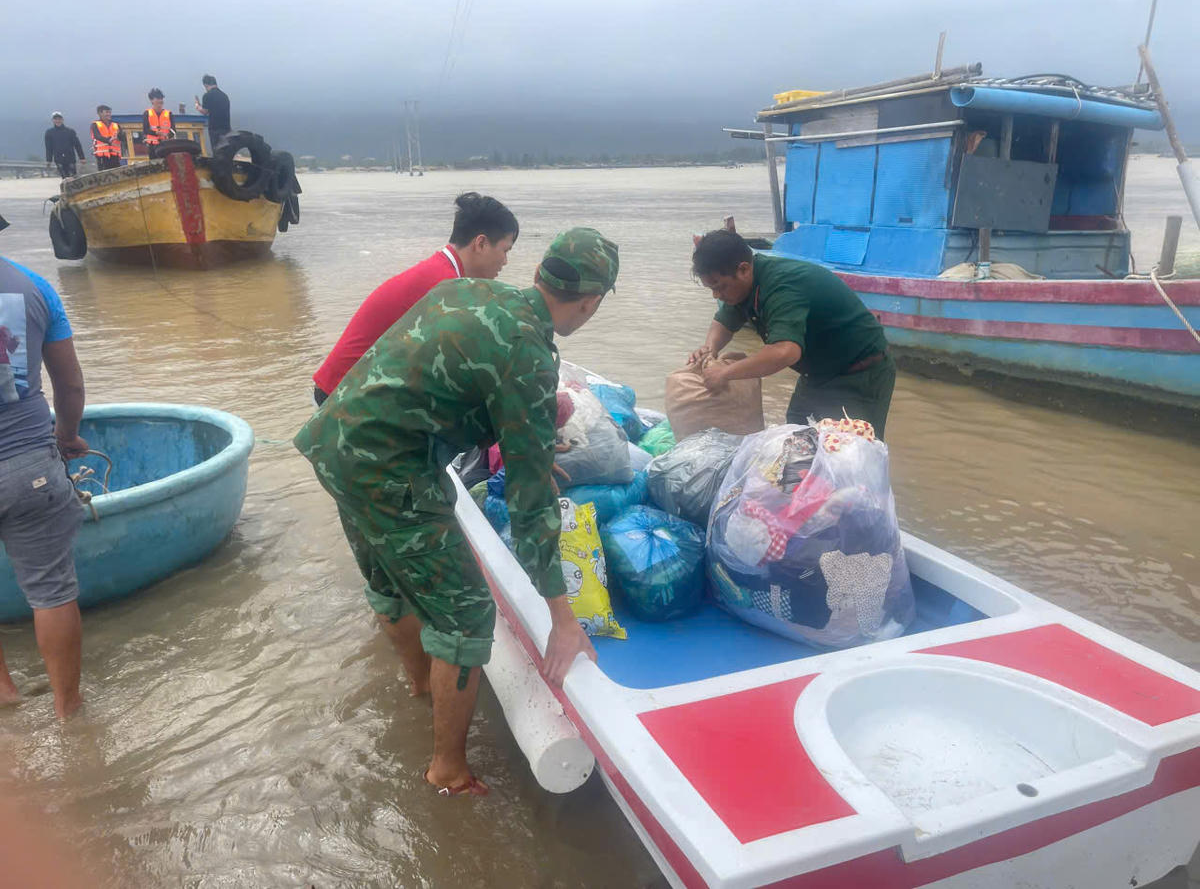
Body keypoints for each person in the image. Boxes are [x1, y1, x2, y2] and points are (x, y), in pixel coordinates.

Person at [294, 227, 619, 796]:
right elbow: (529, 506)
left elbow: (443, 379)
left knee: (390, 582)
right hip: (388, 471)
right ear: (591, 303)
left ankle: (422, 687)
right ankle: (447, 771)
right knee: (466, 616)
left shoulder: (465, 289)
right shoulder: (528, 353)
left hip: (335, 445)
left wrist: (530, 451)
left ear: (538, 273)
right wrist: (563, 620)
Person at [0, 217, 89, 720]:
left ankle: (4, 695)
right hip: (28, 465)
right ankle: (68, 711)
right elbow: (69, 385)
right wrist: (67, 436)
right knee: (51, 591)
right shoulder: (34, 287)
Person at [312, 192, 518, 405]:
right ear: (481, 243)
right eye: (505, 250)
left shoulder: (443, 271)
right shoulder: (444, 286)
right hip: (341, 397)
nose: (505, 261)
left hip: (352, 386)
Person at [689, 229, 896, 437]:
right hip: (815, 374)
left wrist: (725, 373)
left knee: (848, 447)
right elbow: (724, 321)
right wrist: (710, 349)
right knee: (796, 438)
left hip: (859, 373)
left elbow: (784, 352)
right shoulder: (742, 287)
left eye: (720, 287)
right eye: (711, 289)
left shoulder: (783, 286)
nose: (716, 295)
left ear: (743, 269)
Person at [43, 113, 85, 179]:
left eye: (59, 119)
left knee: (73, 177)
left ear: (62, 120)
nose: (58, 121)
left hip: (70, 158)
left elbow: (77, 145)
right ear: (53, 120)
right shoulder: (49, 132)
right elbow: (48, 147)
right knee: (64, 178)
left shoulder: (70, 131)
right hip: (58, 159)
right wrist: (49, 160)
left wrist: (82, 157)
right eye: (55, 119)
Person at [194, 75, 231, 149]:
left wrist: (197, 106)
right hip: (227, 129)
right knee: (226, 150)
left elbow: (205, 112)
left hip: (215, 130)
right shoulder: (224, 96)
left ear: (205, 85)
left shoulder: (207, 95)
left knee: (217, 151)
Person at [90, 105, 122, 171]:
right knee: (104, 174)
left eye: (110, 112)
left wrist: (118, 136)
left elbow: (122, 136)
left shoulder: (116, 124)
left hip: (115, 155)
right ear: (100, 113)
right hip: (102, 156)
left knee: (117, 172)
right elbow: (97, 136)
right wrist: (109, 140)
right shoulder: (95, 124)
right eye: (107, 112)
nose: (109, 114)